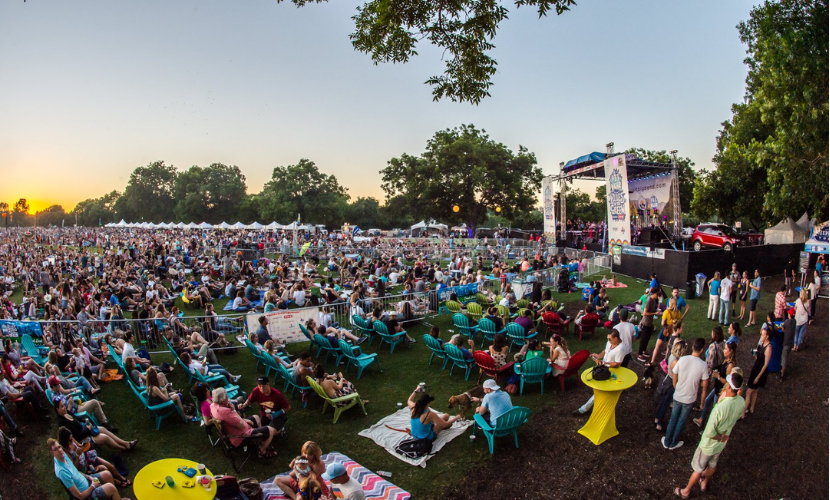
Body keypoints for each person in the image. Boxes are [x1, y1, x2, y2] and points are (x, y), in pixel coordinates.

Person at [673, 373, 745, 499]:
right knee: (713, 464)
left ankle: (686, 491)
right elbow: (738, 416)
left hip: (709, 444)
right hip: (722, 443)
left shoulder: (720, 408)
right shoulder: (741, 401)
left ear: (728, 387)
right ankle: (704, 483)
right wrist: (722, 438)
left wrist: (719, 437)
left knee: (698, 469)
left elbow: (709, 432)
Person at [662, 337, 708, 450]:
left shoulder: (682, 359)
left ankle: (667, 441)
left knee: (673, 418)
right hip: (690, 399)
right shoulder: (703, 365)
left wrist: (675, 385)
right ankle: (673, 442)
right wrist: (702, 403)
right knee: (681, 421)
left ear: (693, 347)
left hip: (678, 395)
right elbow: (705, 386)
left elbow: (674, 372)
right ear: (702, 350)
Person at [49, 437, 130, 500]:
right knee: (110, 488)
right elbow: (80, 497)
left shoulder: (63, 456)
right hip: (87, 495)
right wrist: (93, 486)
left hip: (88, 482)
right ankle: (114, 496)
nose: (59, 450)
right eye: (55, 449)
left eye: (59, 447)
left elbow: (76, 472)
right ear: (52, 452)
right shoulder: (61, 471)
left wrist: (89, 477)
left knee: (107, 474)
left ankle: (116, 498)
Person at [210, 387, 278, 458]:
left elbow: (234, 421)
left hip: (233, 430)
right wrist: (234, 411)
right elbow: (241, 426)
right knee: (270, 430)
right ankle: (262, 452)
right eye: (226, 397)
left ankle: (260, 442)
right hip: (240, 437)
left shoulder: (213, 406)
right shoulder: (225, 412)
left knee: (256, 418)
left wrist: (244, 420)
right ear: (222, 400)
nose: (228, 398)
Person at [574, 330, 626, 415]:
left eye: (609, 339)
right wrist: (599, 356)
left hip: (610, 372)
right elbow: (605, 350)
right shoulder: (610, 342)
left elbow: (617, 364)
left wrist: (604, 363)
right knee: (600, 391)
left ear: (616, 338)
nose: (608, 341)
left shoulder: (621, 349)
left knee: (599, 391)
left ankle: (583, 409)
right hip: (603, 368)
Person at [53, 399, 135, 452]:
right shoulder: (62, 423)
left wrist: (85, 421)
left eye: (64, 405)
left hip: (85, 429)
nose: (64, 407)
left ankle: (125, 443)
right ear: (57, 409)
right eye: (62, 406)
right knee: (104, 437)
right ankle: (123, 448)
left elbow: (77, 419)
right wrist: (88, 430)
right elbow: (77, 437)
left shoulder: (67, 413)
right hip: (83, 439)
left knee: (103, 429)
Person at [694, 340, 736, 428]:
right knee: (707, 401)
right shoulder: (726, 360)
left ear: (731, 351)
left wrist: (718, 377)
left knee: (714, 410)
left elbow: (728, 382)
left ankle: (709, 428)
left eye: (725, 349)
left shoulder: (730, 365)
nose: (724, 350)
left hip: (720, 390)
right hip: (717, 387)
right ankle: (701, 419)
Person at [653, 339, 686, 431]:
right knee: (665, 403)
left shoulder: (671, 356)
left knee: (662, 401)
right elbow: (676, 375)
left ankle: (656, 417)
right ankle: (659, 422)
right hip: (671, 383)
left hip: (667, 381)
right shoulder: (676, 361)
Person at [744, 326, 771, 418]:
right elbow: (758, 358)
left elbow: (766, 364)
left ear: (767, 336)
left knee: (748, 392)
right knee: (754, 391)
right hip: (756, 368)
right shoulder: (761, 345)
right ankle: (751, 408)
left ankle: (743, 412)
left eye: (763, 335)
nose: (761, 337)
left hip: (759, 372)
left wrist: (758, 377)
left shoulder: (768, 348)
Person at [650, 298, 681, 366]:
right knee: (668, 347)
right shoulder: (678, 312)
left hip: (666, 330)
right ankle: (666, 362)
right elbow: (679, 322)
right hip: (673, 330)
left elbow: (662, 323)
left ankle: (652, 361)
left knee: (657, 346)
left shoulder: (666, 312)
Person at [637, 288, 659, 362]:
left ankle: (644, 351)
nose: (658, 296)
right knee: (643, 339)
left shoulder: (653, 300)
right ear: (653, 294)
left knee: (647, 338)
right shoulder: (649, 301)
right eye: (657, 294)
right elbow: (645, 313)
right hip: (645, 322)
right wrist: (654, 313)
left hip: (650, 323)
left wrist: (655, 311)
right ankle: (640, 354)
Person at [780, 308, 796, 380]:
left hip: (786, 343)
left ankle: (782, 375)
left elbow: (783, 329)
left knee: (784, 359)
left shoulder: (787, 321)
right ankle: (783, 370)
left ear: (789, 315)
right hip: (791, 343)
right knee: (786, 356)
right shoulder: (794, 321)